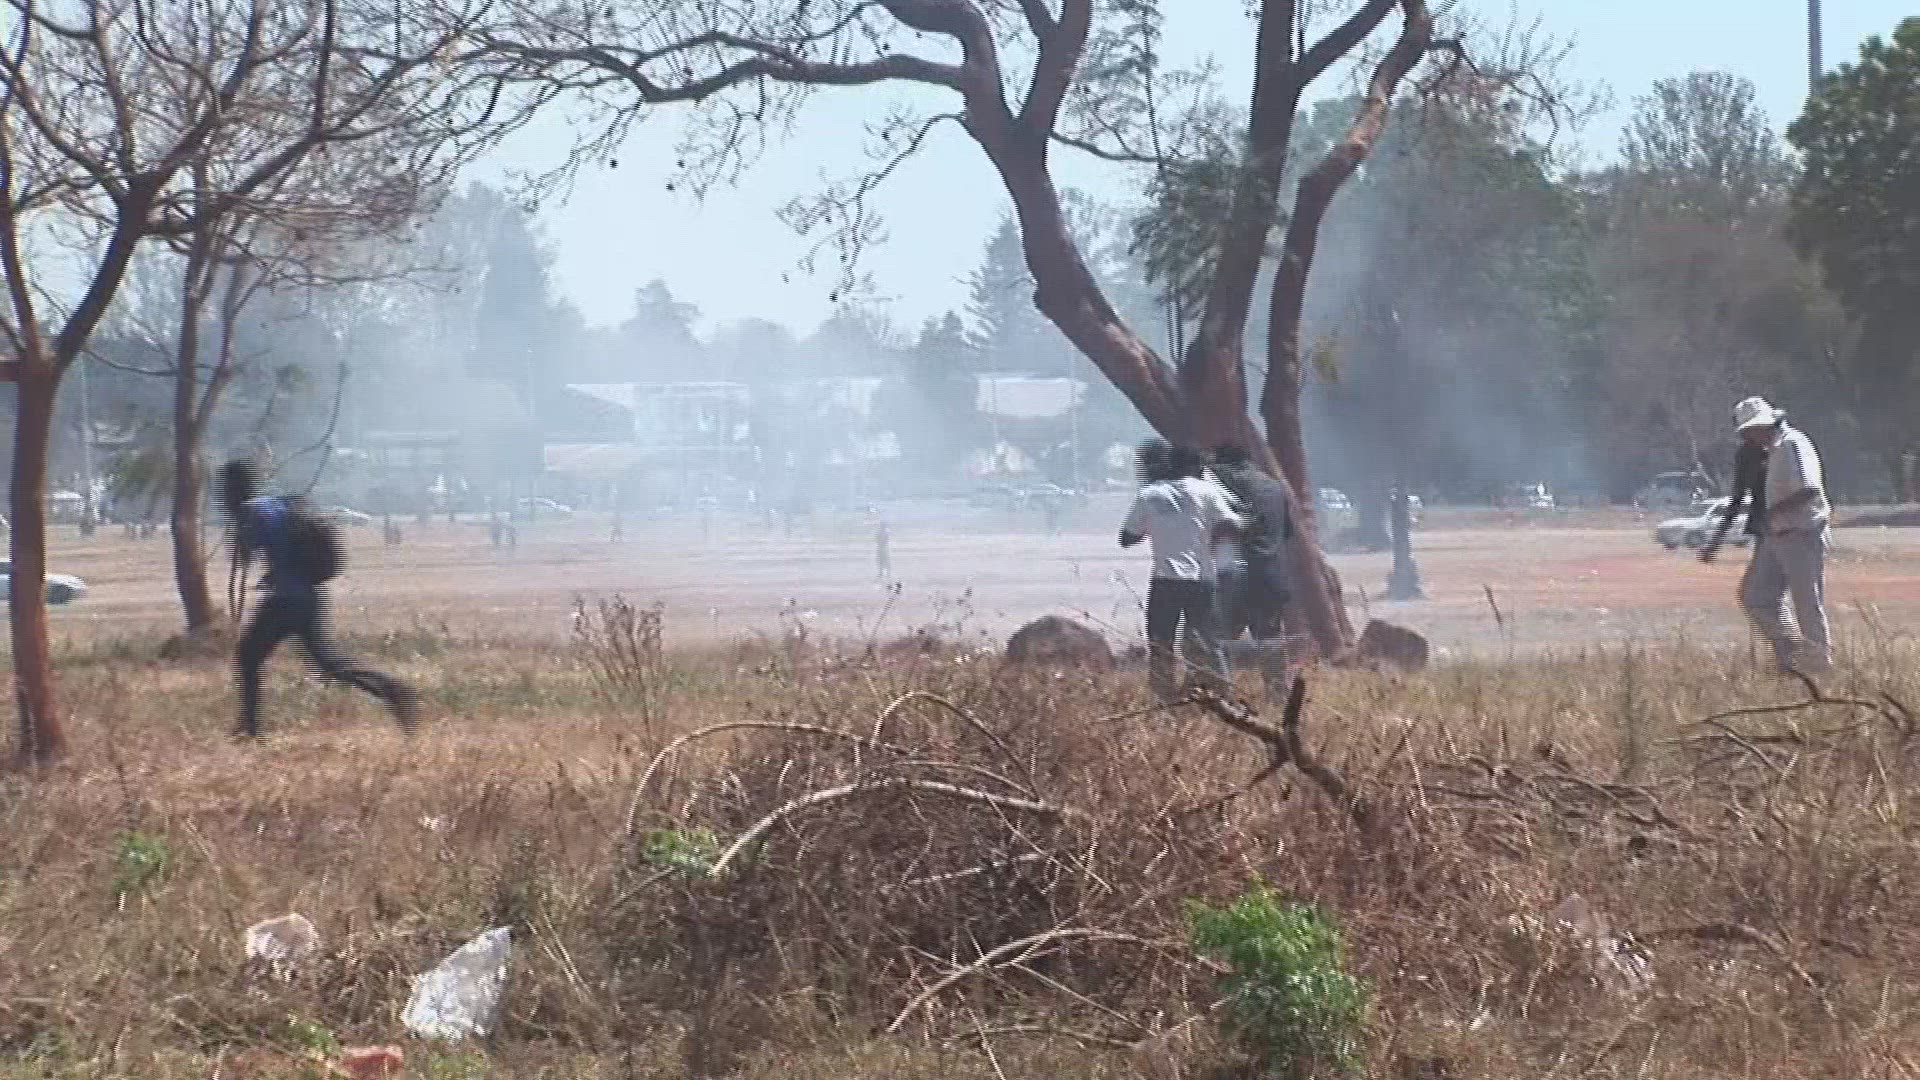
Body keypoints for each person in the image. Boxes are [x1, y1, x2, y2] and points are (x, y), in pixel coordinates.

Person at [220, 459, 419, 740]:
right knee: (330, 664)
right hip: (308, 597)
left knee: (248, 656)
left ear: (233, 488)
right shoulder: (274, 505)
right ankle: (391, 690)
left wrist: (241, 533)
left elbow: (245, 556)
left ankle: (250, 730)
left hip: (286, 601)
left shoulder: (251, 514)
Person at [1702, 396, 1832, 675]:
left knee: (1807, 604)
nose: (1750, 437)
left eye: (1753, 430)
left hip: (1802, 532)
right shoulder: (1767, 450)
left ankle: (1819, 667)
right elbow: (1739, 497)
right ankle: (1791, 655)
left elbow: (1810, 489)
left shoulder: (1793, 444)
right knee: (1755, 596)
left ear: (1767, 424)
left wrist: (1772, 512)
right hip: (1774, 534)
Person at [1121, 441, 1245, 701]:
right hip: (1202, 579)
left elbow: (1126, 538)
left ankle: (1163, 697)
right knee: (1208, 640)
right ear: (1196, 466)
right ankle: (1221, 695)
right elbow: (1234, 526)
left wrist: (1159, 526)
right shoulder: (1207, 491)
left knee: (1161, 641)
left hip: (1165, 580)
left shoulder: (1149, 494)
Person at [1211, 444, 1297, 697]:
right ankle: (1278, 696)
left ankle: (1220, 697)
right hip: (1271, 575)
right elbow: (1287, 533)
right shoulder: (1274, 487)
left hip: (1234, 577)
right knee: (1269, 638)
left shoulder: (1222, 479)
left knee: (1215, 638)